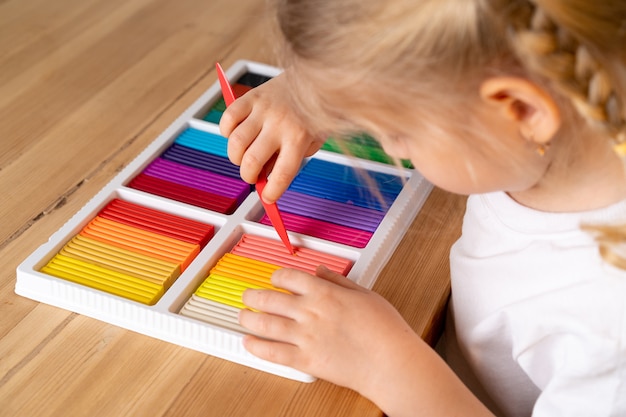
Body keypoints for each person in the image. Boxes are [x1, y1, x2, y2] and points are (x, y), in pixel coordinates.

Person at [219, 0, 626, 415]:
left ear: (521, 109)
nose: (388, 145)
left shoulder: (611, 338)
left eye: (397, 132)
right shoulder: (551, 130)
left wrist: (385, 364)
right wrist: (326, 88)